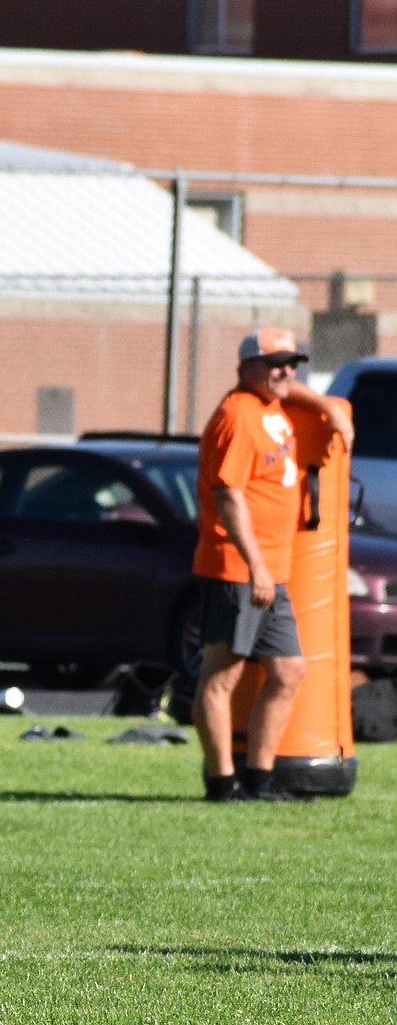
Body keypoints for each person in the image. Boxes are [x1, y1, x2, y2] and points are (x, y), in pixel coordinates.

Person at [192, 327, 353, 802]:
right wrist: (256, 565)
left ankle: (260, 780)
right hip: (238, 568)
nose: (286, 372)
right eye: (274, 363)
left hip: (270, 571)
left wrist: (327, 408)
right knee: (221, 677)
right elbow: (227, 494)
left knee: (289, 671)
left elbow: (287, 387)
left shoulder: (270, 404)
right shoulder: (238, 415)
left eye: (292, 363)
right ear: (246, 369)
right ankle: (222, 785)